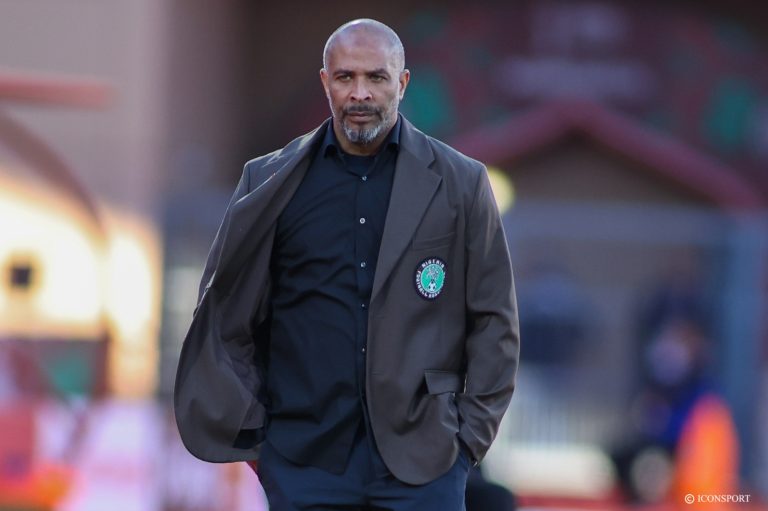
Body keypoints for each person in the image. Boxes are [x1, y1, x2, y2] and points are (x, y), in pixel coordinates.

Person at [174, 18, 520, 511]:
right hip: (303, 463)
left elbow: (494, 323)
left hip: (424, 465)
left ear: (402, 82)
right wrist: (260, 442)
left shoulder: (462, 183)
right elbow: (229, 317)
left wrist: (467, 443)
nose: (360, 93)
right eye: (345, 77)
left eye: (376, 77)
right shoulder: (268, 181)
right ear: (326, 82)